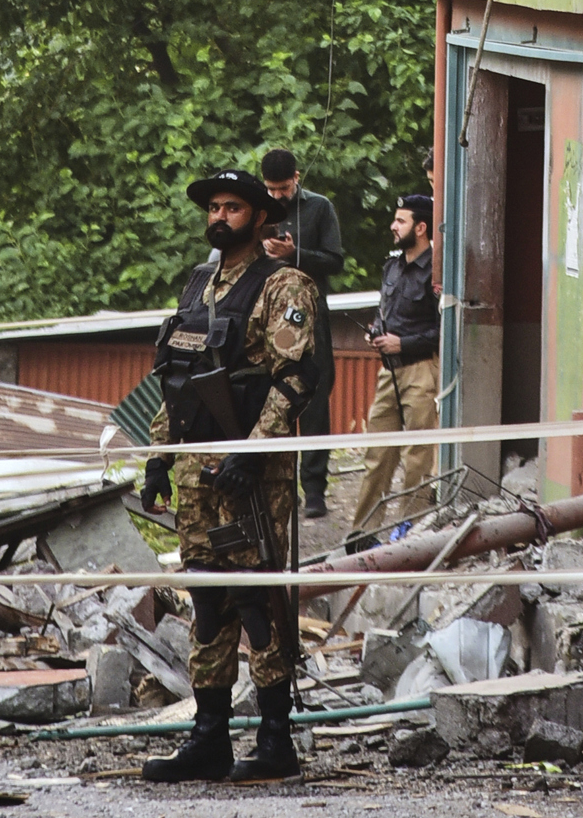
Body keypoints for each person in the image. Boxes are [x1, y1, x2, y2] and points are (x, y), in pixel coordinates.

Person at [138, 167, 320, 785]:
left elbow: (296, 378)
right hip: (197, 471)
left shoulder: (283, 284)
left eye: (233, 207)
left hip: (252, 474)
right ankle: (209, 738)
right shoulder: (197, 286)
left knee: (256, 596)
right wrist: (158, 459)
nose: (220, 216)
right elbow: (178, 383)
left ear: (259, 216)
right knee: (209, 600)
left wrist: (252, 452)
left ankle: (275, 741)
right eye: (213, 207)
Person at [348, 194, 442, 540]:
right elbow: (383, 311)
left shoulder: (436, 271)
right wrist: (376, 331)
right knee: (378, 454)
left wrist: (403, 343)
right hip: (388, 372)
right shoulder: (391, 267)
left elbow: (445, 329)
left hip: (421, 370)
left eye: (401, 221)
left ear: (420, 227)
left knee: (419, 459)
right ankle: (363, 534)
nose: (393, 226)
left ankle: (409, 534)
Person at [258, 147, 344, 518]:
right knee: (269, 400)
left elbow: (335, 261)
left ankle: (314, 491)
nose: (278, 195)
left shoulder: (319, 208)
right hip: (267, 318)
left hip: (310, 318)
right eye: (271, 189)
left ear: (297, 177)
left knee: (314, 400)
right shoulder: (256, 209)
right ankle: (275, 487)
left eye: (283, 188)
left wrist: (295, 254)